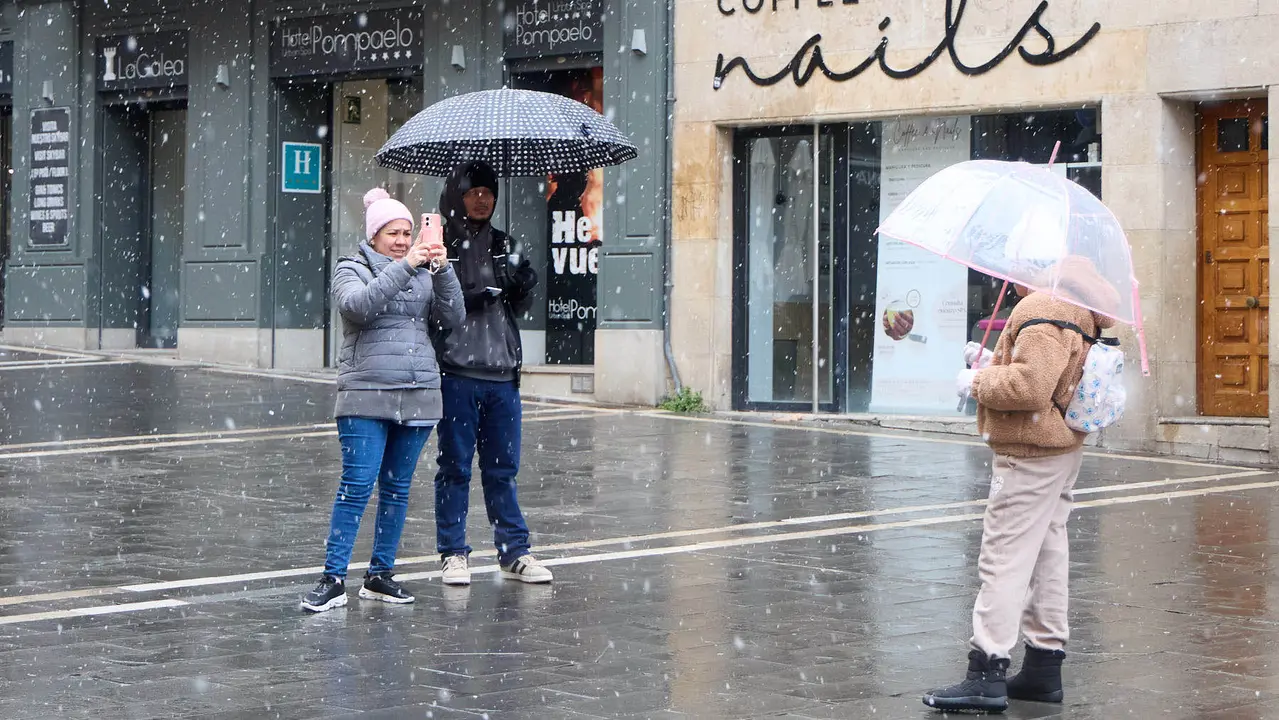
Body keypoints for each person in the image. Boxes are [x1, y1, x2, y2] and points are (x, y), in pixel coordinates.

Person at [924, 258, 1119, 712]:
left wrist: (975, 382)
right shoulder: (1072, 307)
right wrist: (993, 362)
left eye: (1013, 271)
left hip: (1029, 451)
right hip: (1060, 448)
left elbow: (1030, 388)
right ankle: (1043, 668)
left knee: (1004, 558)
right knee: (1049, 554)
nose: (1007, 282)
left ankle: (986, 670)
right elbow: (1052, 376)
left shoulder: (1040, 308)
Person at [301, 188, 464, 613]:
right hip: (365, 393)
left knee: (396, 489)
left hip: (419, 393)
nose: (402, 240)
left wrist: (442, 270)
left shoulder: (425, 271)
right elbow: (358, 307)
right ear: (374, 235)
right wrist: (406, 266)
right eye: (393, 232)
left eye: (408, 232)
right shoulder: (350, 268)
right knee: (356, 486)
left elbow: (453, 318)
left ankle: (380, 575)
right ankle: (333, 578)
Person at [431, 160, 552, 586]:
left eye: (488, 192)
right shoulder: (439, 244)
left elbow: (519, 307)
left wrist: (522, 285)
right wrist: (467, 296)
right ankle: (452, 553)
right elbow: (432, 307)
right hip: (457, 371)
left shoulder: (505, 244)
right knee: (455, 467)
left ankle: (513, 552)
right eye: (473, 192)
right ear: (456, 196)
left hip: (503, 372)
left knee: (503, 469)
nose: (482, 199)